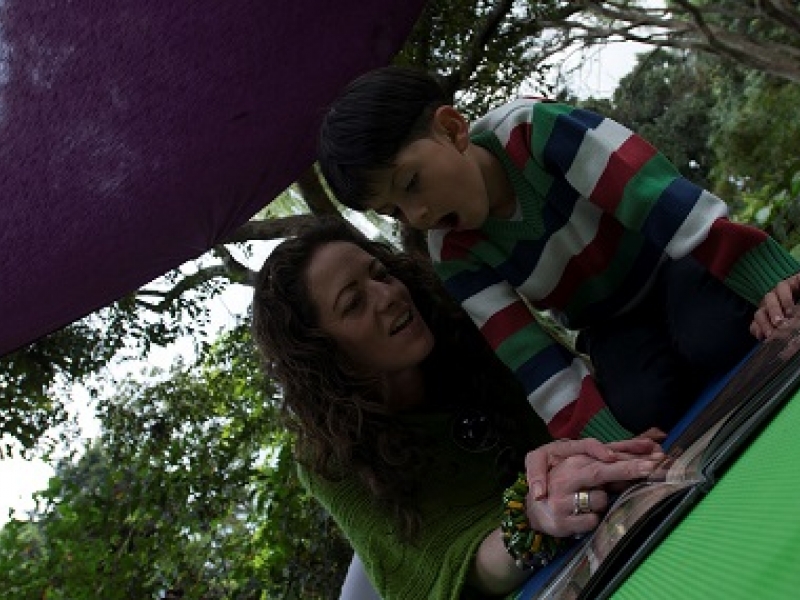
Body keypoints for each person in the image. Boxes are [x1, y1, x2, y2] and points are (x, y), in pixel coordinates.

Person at [317, 65, 800, 443]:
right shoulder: (453, 252)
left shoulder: (534, 133)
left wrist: (769, 281)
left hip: (671, 263)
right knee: (642, 409)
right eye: (394, 211)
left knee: (715, 335)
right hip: (609, 322)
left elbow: (660, 199)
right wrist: (603, 441)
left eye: (411, 184)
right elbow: (527, 352)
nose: (417, 214)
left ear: (451, 129)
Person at [251, 216, 664, 599]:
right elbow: (436, 573)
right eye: (353, 303)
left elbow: (575, 396)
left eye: (381, 274)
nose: (390, 295)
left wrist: (610, 444)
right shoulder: (329, 459)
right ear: (320, 353)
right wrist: (532, 515)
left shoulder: (470, 319)